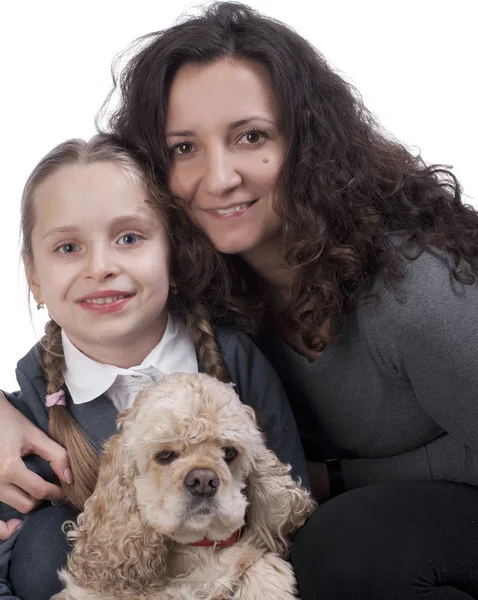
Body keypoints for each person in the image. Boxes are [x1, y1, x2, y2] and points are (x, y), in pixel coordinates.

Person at [1, 3, 478, 598]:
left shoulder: (416, 292)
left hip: (444, 521)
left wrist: (337, 480)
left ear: (310, 143)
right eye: (183, 147)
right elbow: (78, 226)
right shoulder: (208, 282)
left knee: (342, 548)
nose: (219, 177)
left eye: (250, 136)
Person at [0, 133, 308, 600]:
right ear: (34, 278)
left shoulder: (236, 360)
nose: (100, 266)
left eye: (129, 238)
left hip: (233, 579)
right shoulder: (28, 415)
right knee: (45, 549)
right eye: (68, 248)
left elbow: (286, 506)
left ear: (176, 257)